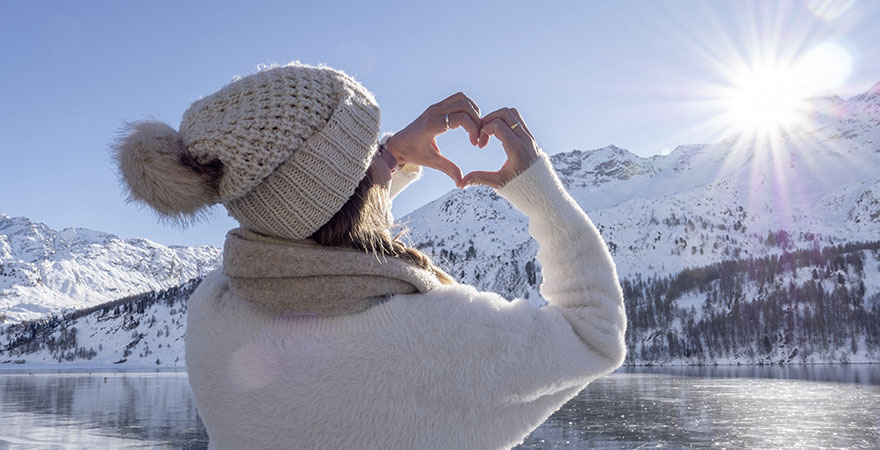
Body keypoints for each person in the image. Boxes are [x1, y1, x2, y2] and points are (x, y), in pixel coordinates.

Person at [113, 62, 626, 450]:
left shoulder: (214, 310)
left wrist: (387, 161)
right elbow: (595, 334)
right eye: (369, 151)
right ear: (347, 188)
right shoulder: (435, 336)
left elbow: (307, 236)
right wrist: (538, 189)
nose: (383, 154)